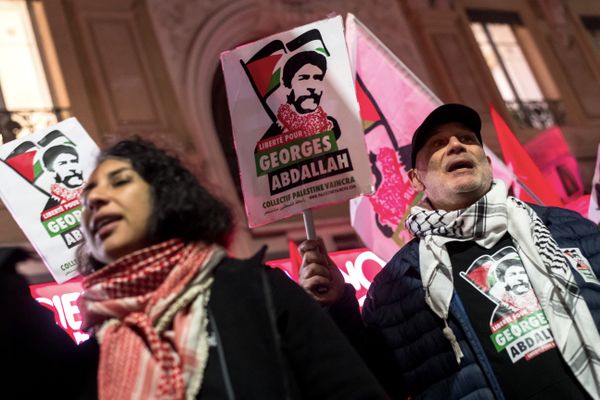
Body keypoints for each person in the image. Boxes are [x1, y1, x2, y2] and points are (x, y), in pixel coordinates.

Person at [2, 137, 387, 400]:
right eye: (88, 199)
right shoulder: (102, 345)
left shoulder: (255, 291)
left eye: (118, 182)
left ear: (165, 195)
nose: (98, 199)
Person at [299, 104, 600, 399]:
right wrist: (336, 307)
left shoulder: (566, 227)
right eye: (438, 144)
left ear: (484, 159)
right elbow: (372, 379)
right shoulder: (397, 285)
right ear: (416, 178)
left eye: (467, 139)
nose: (456, 145)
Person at [258, 50, 340, 145]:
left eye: (318, 78)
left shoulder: (332, 125)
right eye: (304, 78)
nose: (312, 86)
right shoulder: (276, 132)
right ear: (288, 85)